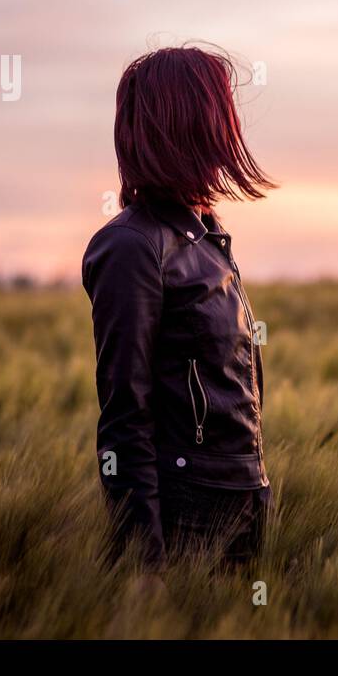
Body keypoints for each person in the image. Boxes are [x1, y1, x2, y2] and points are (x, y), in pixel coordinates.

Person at [82, 44, 275, 577]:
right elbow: (124, 416)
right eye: (219, 114)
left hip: (243, 500)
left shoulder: (205, 236)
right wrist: (143, 570)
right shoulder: (133, 247)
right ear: (187, 126)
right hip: (190, 514)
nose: (230, 132)